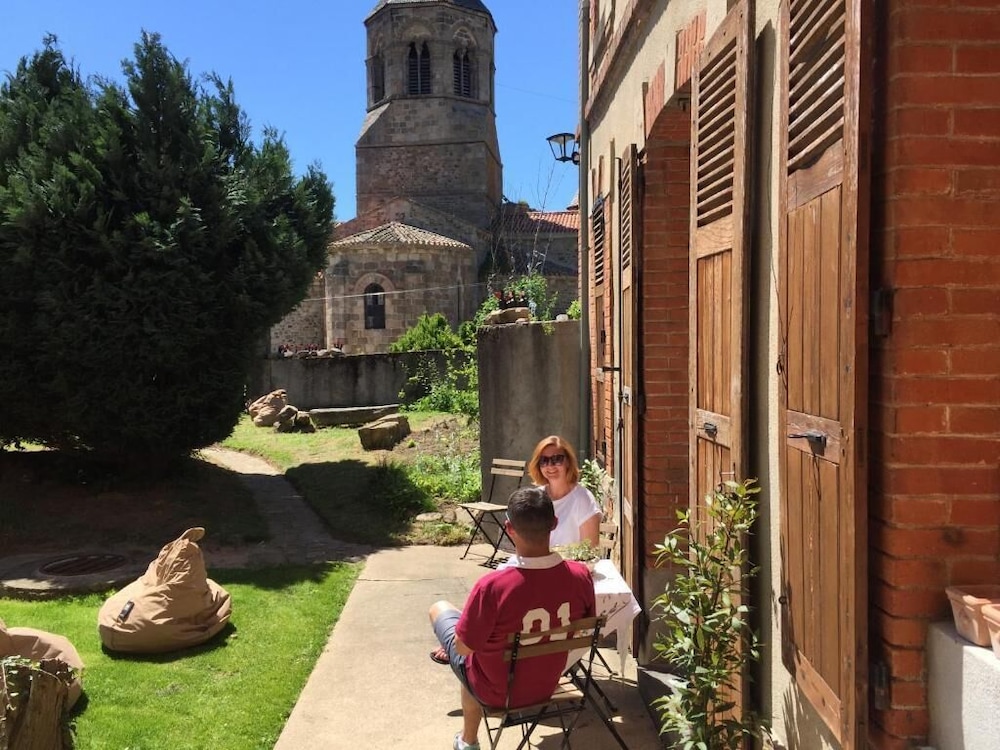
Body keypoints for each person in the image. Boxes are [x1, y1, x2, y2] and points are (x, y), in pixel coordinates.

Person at [428, 486, 596, 750]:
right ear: (554, 524)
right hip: (548, 682)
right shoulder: (581, 576)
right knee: (474, 652)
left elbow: (462, 647)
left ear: (509, 528)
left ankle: (468, 742)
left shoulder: (492, 587)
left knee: (441, 612)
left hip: (497, 692)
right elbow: (584, 632)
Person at [528, 435, 602, 548]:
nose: (550, 465)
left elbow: (589, 551)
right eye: (544, 460)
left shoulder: (582, 499)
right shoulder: (535, 498)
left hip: (571, 564)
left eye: (557, 459)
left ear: (568, 461)